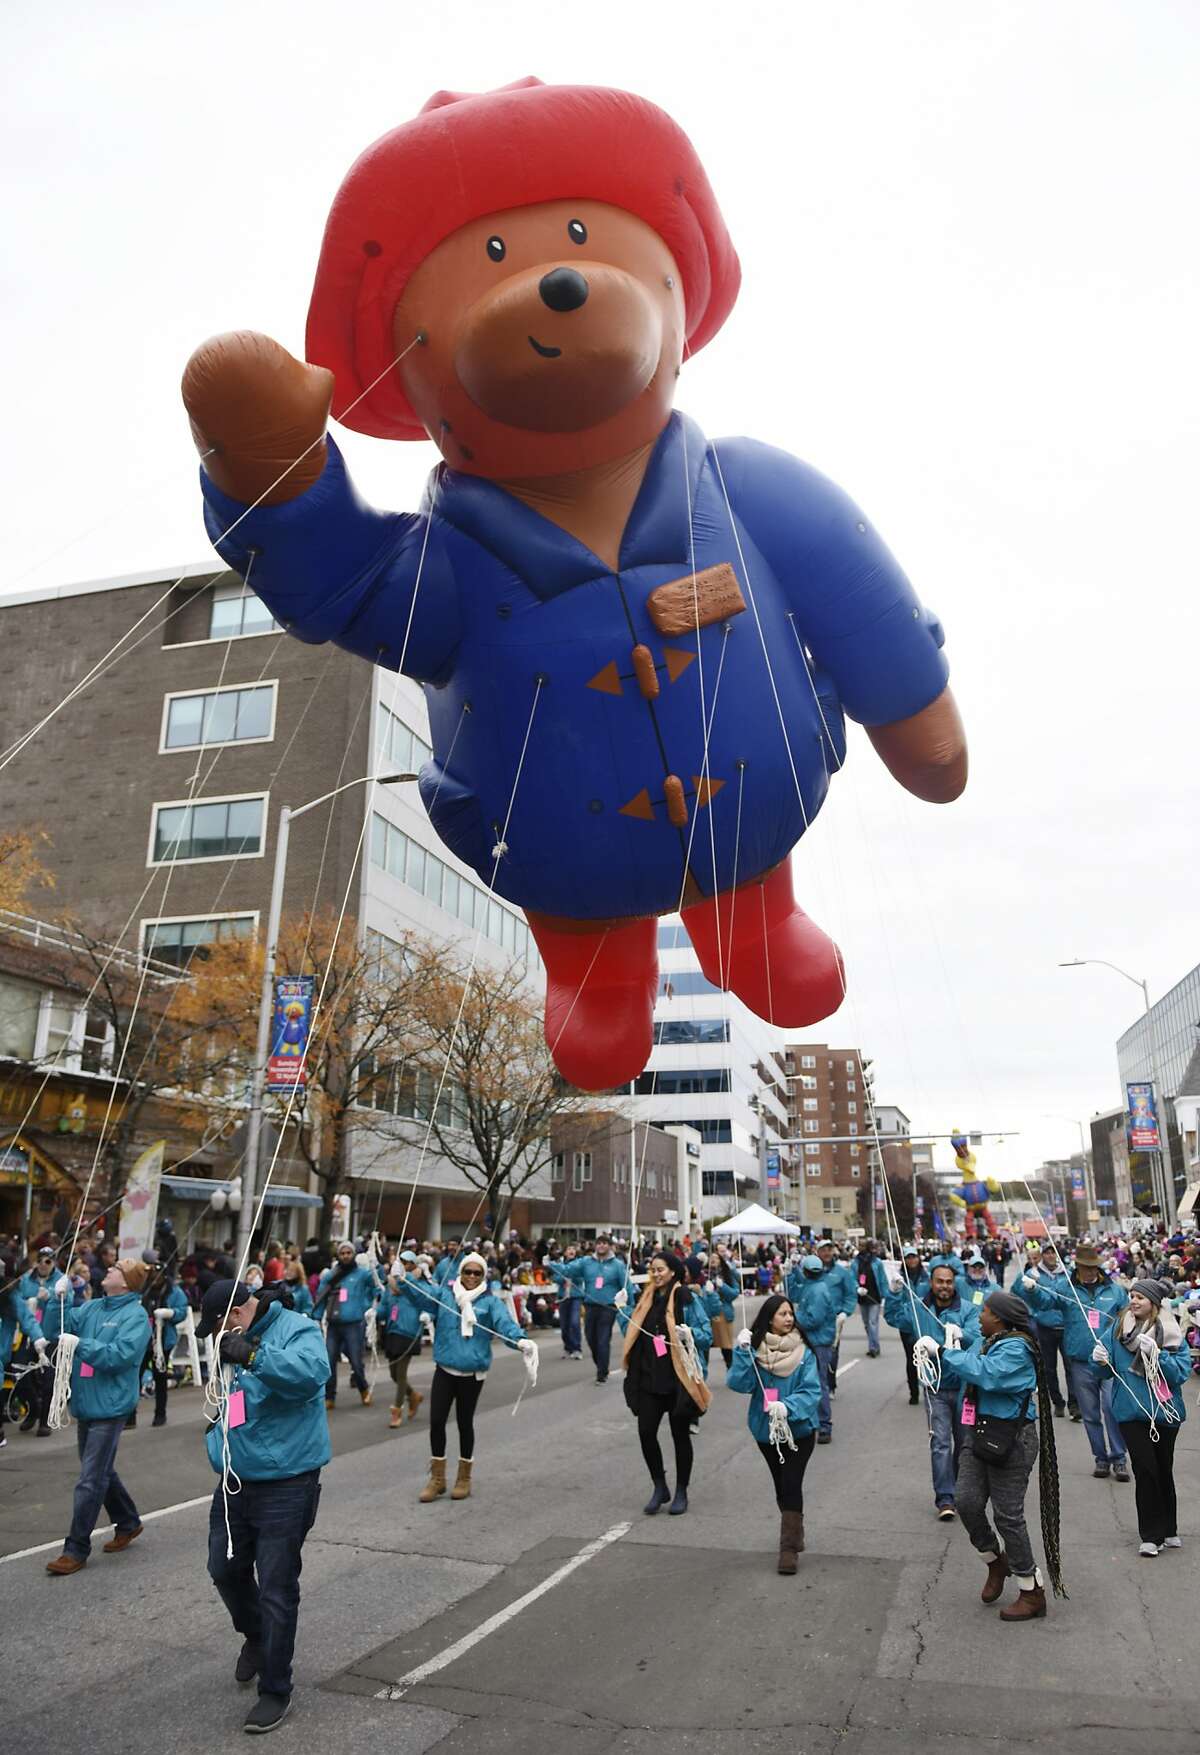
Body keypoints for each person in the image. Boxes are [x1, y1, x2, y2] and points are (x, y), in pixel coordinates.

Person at [197, 1277, 331, 1734]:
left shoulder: (297, 1328)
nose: (214, 1338)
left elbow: (312, 1375)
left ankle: (276, 1688)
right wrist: (215, 1439)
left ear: (234, 1314)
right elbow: (233, 1403)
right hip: (236, 1477)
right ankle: (255, 1636)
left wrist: (253, 1354)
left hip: (286, 1482)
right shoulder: (229, 1342)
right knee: (223, 1567)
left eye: (214, 1328)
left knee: (276, 1586)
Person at [919, 1289, 1065, 1621]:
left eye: (984, 1311)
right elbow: (965, 1366)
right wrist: (953, 1341)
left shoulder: (1018, 1348)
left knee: (1007, 1516)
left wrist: (943, 1350)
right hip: (979, 1432)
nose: (979, 1315)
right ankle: (994, 1560)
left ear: (998, 1318)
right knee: (966, 1501)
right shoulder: (988, 1339)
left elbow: (990, 1373)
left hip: (1011, 1439)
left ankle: (1032, 1590)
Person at [45, 1258, 152, 1577]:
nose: (109, 1269)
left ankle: (75, 1548)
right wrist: (56, 1300)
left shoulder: (136, 1316)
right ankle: (129, 1521)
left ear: (127, 1282)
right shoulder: (92, 1308)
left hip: (111, 1406)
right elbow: (55, 1330)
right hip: (87, 1403)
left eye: (116, 1268)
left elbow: (120, 1356)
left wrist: (82, 1345)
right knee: (99, 1471)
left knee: (91, 1478)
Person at [408, 1251, 535, 1502]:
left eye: (478, 1273)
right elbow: (420, 1295)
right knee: (436, 1421)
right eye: (468, 1272)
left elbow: (504, 1324)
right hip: (445, 1368)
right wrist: (403, 1279)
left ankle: (464, 1478)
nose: (472, 1277)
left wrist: (520, 1340)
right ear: (461, 1273)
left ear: (483, 1275)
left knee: (465, 1423)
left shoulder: (489, 1302)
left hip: (472, 1372)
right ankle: (437, 1479)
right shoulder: (445, 1295)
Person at [1090, 1277, 1190, 1556]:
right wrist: (1097, 1359)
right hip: (1130, 1411)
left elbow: (1180, 1373)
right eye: (1132, 1295)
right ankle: (1151, 1535)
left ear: (1154, 1303)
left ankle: (1169, 1529)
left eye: (1140, 1297)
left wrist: (1158, 1356)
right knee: (1145, 1470)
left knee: (1163, 1468)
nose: (1133, 1301)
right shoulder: (1119, 1327)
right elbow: (1103, 1370)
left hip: (1165, 1411)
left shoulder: (1170, 1330)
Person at [728, 1294, 821, 1572]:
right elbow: (739, 1384)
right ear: (770, 1318)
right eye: (782, 1314)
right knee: (781, 1486)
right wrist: (742, 1352)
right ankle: (795, 1529)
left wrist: (787, 1406)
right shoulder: (755, 1350)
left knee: (792, 1484)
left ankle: (788, 1549)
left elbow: (812, 1391)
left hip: (799, 1432)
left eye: (790, 1313)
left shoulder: (804, 1353)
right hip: (765, 1432)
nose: (789, 1318)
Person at [1020, 1244, 1129, 1481]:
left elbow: (1127, 1320)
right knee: (1089, 1413)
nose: (1089, 1272)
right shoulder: (1067, 1288)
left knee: (1112, 1409)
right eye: (1085, 1267)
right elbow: (1045, 1302)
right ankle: (1100, 1458)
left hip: (1110, 1361)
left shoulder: (1115, 1291)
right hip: (1080, 1360)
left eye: (1093, 1268)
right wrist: (1030, 1288)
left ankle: (1119, 1458)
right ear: (1077, 1267)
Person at [620, 1250, 711, 1516]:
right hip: (648, 1377)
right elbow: (631, 1331)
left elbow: (706, 1334)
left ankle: (681, 1489)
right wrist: (621, 1309)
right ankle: (660, 1486)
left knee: (680, 1435)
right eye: (653, 1269)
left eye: (661, 1269)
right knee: (646, 1432)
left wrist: (689, 1333)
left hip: (677, 1379)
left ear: (673, 1271)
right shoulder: (645, 1297)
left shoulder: (685, 1297)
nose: (656, 1274)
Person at [893, 1264, 981, 1518]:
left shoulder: (967, 1309)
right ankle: (945, 1498)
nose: (944, 1286)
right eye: (939, 1281)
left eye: (949, 1281)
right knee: (940, 1443)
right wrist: (895, 1293)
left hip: (965, 1389)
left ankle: (961, 1490)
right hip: (935, 1388)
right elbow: (896, 1318)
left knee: (965, 1443)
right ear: (931, 1282)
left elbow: (977, 1336)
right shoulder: (920, 1308)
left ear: (954, 1283)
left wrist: (961, 1333)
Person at [785, 1254, 844, 1444]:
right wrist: (791, 1272)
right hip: (813, 1340)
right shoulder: (814, 1285)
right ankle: (814, 1422)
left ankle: (824, 1425)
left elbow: (813, 1319)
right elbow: (793, 1293)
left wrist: (794, 1321)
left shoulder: (817, 1290)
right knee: (810, 1382)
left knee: (818, 1383)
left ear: (807, 1271)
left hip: (818, 1342)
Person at [555, 1235, 628, 1384]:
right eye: (599, 1243)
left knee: (602, 1340)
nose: (601, 1246)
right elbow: (568, 1270)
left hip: (608, 1307)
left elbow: (627, 1286)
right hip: (590, 1306)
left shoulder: (617, 1265)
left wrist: (629, 1305)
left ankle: (601, 1373)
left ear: (609, 1246)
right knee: (590, 1338)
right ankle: (601, 1365)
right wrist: (551, 1264)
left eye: (604, 1243)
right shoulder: (586, 1262)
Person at [313, 1242, 378, 1409]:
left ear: (354, 1254)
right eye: (343, 1253)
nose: (346, 1256)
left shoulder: (363, 1274)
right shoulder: (331, 1275)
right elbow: (321, 1296)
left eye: (349, 1252)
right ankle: (330, 1397)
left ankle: (363, 1388)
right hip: (334, 1325)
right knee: (329, 1360)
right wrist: (316, 1317)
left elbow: (377, 1287)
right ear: (338, 1255)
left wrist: (367, 1306)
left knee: (356, 1361)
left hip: (354, 1325)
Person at [1025, 1245, 1075, 1418]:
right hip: (1045, 1327)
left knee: (1071, 1367)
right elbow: (1024, 1295)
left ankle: (1074, 1404)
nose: (1050, 1255)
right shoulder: (1034, 1274)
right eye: (1046, 1253)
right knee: (1049, 1368)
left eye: (1053, 1252)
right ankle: (1058, 1401)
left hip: (1066, 1326)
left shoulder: (1069, 1273)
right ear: (1042, 1256)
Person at [141, 1260, 190, 1427]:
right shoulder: (142, 1290)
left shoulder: (174, 1292)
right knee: (135, 1376)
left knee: (159, 1376)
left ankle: (160, 1413)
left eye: (157, 1274)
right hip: (142, 1339)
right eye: (151, 1274)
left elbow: (182, 1311)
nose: (154, 1278)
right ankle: (129, 1416)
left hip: (163, 1340)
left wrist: (171, 1313)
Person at [382, 1250, 427, 1427]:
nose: (405, 1265)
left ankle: (396, 1411)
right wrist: (373, 1314)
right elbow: (385, 1308)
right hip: (393, 1332)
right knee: (393, 1374)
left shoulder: (417, 1284)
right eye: (402, 1262)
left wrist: (426, 1314)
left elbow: (427, 1302)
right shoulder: (390, 1286)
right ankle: (413, 1395)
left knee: (401, 1374)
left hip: (409, 1332)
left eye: (408, 1262)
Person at [883, 1247, 929, 1403]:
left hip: (925, 1324)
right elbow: (893, 1303)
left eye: (914, 1257)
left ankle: (929, 1389)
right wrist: (894, 1291)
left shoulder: (927, 1278)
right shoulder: (899, 1278)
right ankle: (914, 1393)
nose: (911, 1260)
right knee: (911, 1359)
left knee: (926, 1358)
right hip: (908, 1326)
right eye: (908, 1257)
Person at [852, 1242, 888, 1358]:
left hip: (874, 1296)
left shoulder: (877, 1262)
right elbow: (851, 1277)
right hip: (862, 1297)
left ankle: (874, 1347)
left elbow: (882, 1279)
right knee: (867, 1323)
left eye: (862, 1246)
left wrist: (885, 1294)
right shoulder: (855, 1263)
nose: (860, 1248)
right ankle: (873, 1343)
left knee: (873, 1322)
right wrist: (857, 1288)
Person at [548, 1243, 583, 1359]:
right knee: (564, 1325)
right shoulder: (560, 1265)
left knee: (574, 1322)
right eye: (569, 1249)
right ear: (565, 1252)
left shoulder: (579, 1264)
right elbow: (555, 1277)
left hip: (575, 1296)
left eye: (573, 1248)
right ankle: (568, 1347)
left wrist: (572, 1277)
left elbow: (581, 1278)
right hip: (563, 1296)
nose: (571, 1251)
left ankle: (577, 1348)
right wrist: (563, 1279)